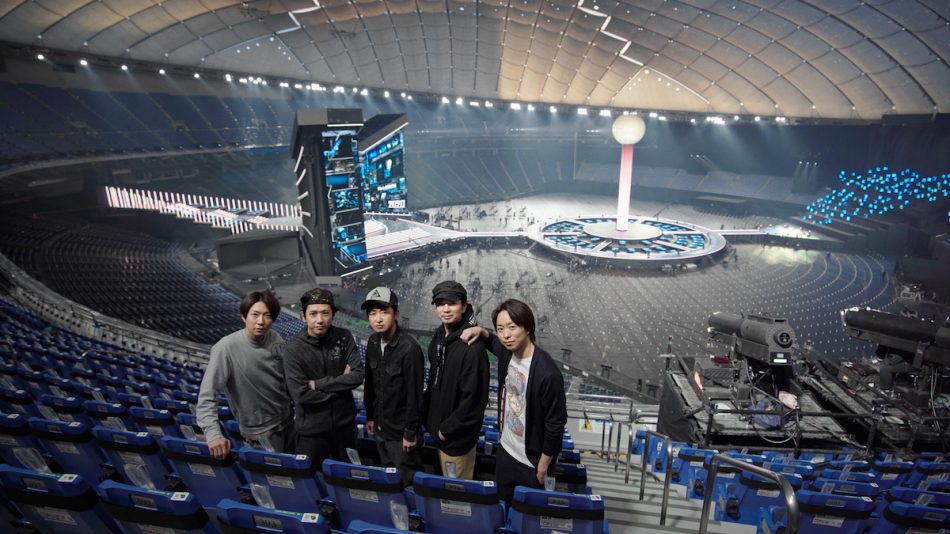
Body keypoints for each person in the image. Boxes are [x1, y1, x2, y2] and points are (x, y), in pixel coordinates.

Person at [462, 299, 567, 503]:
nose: (505, 335)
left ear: (527, 327)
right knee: (502, 507)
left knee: (527, 515)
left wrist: (543, 466)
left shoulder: (548, 373)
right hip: (506, 452)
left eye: (512, 327)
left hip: (532, 462)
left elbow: (556, 424)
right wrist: (480, 331)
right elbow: (493, 342)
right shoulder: (507, 352)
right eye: (500, 329)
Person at [197, 291, 294, 459]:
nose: (261, 321)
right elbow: (207, 396)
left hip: (289, 422)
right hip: (262, 435)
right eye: (255, 314)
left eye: (267, 316)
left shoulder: (275, 338)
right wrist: (213, 434)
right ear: (243, 316)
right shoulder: (225, 348)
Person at [282, 288, 364, 467]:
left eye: (325, 313)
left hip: (345, 429)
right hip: (311, 433)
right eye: (313, 314)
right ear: (303, 316)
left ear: (333, 315)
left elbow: (358, 376)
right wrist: (341, 388)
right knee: (311, 477)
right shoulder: (292, 349)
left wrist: (318, 384)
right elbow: (301, 395)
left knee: (348, 477)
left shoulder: (344, 337)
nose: (319, 320)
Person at [361, 287, 425, 486]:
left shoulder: (410, 348)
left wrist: (410, 433)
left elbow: (415, 396)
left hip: (400, 434)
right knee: (388, 478)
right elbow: (370, 383)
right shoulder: (372, 342)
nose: (378, 319)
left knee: (406, 481)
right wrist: (370, 415)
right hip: (380, 427)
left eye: (384, 312)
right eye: (373, 313)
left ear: (396, 314)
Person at [424, 281, 489, 480]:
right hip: (438, 434)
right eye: (440, 304)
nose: (445, 309)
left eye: (451, 303)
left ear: (464, 305)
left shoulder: (473, 348)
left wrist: (445, 431)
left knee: (456, 493)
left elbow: (474, 402)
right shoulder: (438, 336)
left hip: (455, 441)